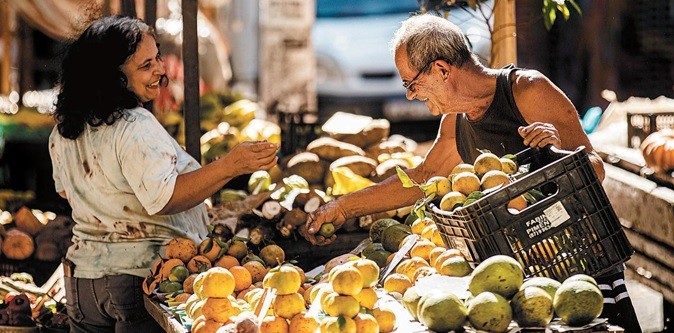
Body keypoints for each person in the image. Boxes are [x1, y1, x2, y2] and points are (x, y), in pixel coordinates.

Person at [300, 14, 641, 332]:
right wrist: (343, 207)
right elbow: (421, 178)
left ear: (441, 70)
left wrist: (557, 153)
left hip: (581, 265)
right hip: (521, 275)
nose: (410, 95)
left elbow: (594, 169)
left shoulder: (527, 92)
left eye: (411, 83)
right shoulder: (456, 121)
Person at [48, 16, 278, 333]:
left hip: (83, 283)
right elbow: (164, 198)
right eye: (146, 65)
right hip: (137, 282)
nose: (160, 69)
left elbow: (69, 193)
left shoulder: (65, 131)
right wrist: (231, 165)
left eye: (157, 57)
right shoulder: (134, 125)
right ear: (113, 76)